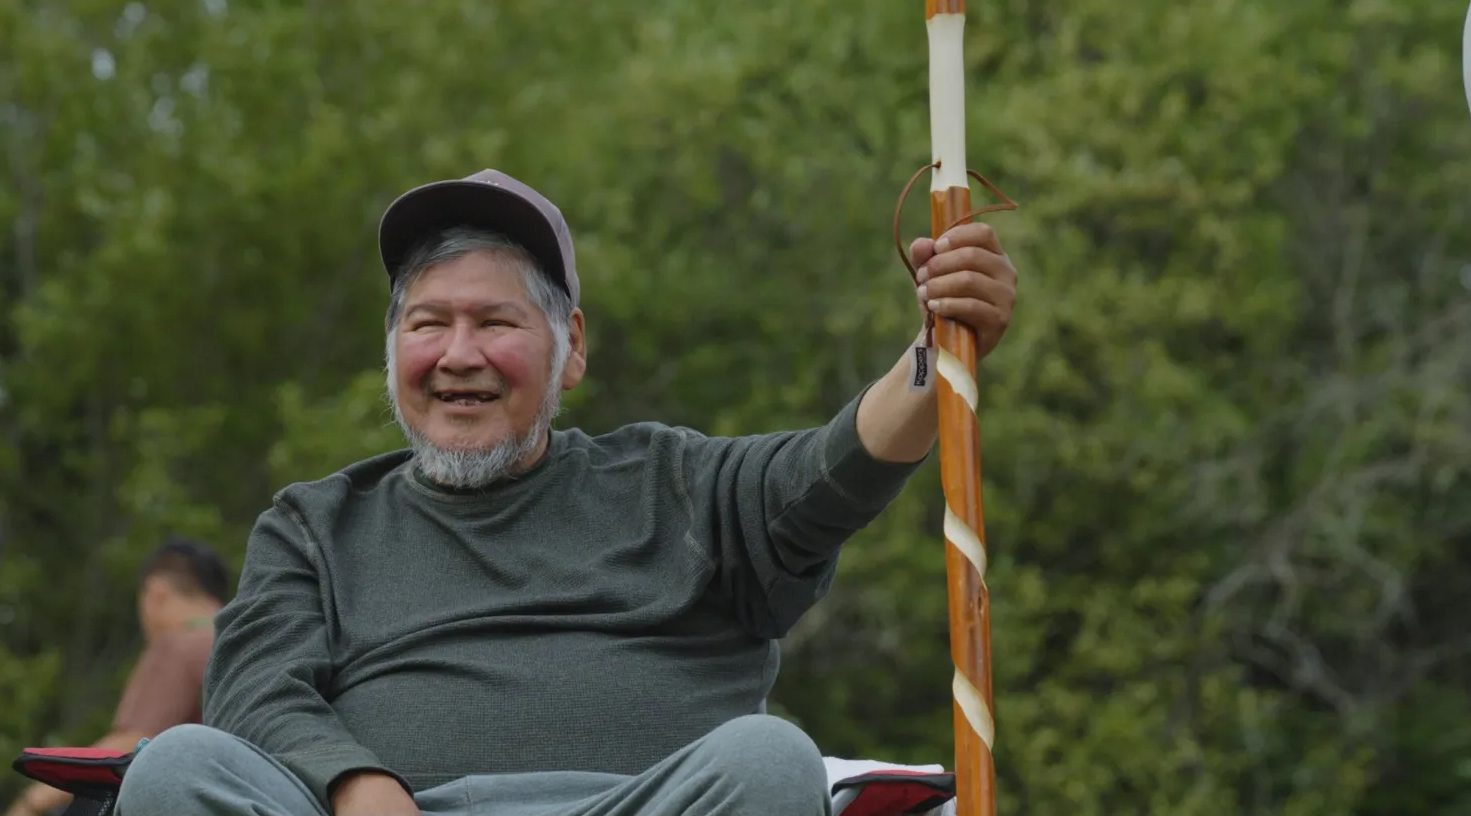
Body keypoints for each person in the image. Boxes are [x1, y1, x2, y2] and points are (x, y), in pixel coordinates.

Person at [115, 169, 1019, 816]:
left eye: (496, 321)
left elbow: (835, 470)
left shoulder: (674, 483)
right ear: (393, 356)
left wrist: (937, 349)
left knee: (767, 758)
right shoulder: (315, 523)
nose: (457, 354)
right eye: (428, 323)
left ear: (571, 348)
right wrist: (358, 787)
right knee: (176, 767)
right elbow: (253, 690)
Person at [5, 537, 229, 816]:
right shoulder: (248, 640)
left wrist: (31, 803)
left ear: (155, 592)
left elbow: (128, 746)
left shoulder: (178, 643)